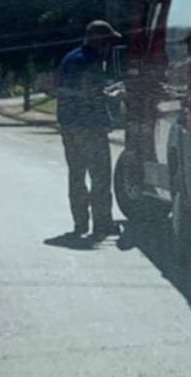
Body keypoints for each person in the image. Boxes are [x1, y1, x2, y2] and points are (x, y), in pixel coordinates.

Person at [57, 20, 122, 239]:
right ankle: (102, 224)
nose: (108, 46)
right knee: (100, 174)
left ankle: (80, 223)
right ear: (98, 39)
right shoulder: (90, 60)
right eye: (107, 40)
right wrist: (113, 95)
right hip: (89, 125)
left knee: (76, 174)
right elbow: (90, 91)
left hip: (68, 124)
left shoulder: (70, 58)